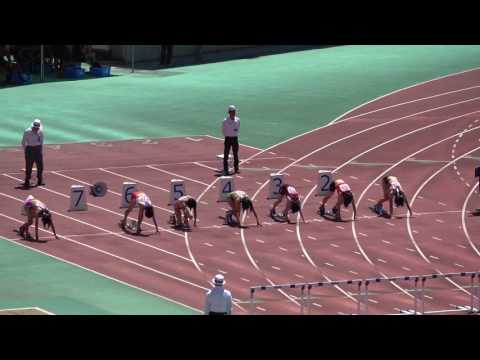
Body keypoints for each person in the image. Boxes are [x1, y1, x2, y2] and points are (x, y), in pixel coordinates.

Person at [21, 119, 44, 188]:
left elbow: (41, 141)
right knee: (29, 166)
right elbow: (23, 142)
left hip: (38, 149)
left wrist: (40, 150)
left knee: (40, 166)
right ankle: (27, 181)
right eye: (35, 127)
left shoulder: (41, 131)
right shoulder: (27, 131)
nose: (36, 129)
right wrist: (26, 150)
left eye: (37, 128)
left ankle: (40, 180)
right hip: (30, 149)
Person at [222, 105, 240, 175]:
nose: (233, 113)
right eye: (232, 112)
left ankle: (236, 168)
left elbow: (238, 128)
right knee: (226, 154)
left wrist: (235, 133)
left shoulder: (238, 119)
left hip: (235, 138)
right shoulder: (225, 121)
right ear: (229, 112)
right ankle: (226, 169)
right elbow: (223, 130)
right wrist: (227, 135)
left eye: (234, 111)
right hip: (228, 139)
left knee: (236, 154)